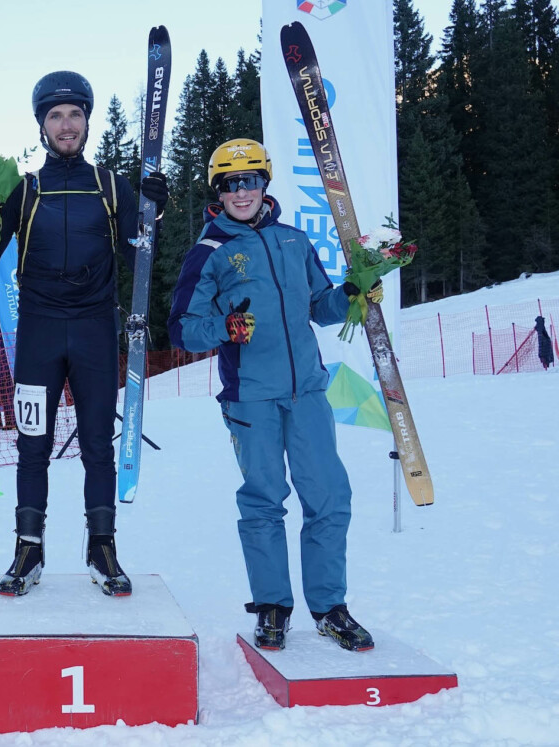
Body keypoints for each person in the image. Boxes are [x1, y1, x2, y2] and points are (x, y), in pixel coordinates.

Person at [167, 138, 377, 652]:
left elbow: (319, 306)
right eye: (230, 184)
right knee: (264, 500)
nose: (242, 192)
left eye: (251, 181)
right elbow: (181, 328)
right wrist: (225, 327)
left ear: (265, 184)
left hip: (307, 391)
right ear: (218, 192)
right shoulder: (209, 252)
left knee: (329, 497)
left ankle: (329, 608)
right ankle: (272, 607)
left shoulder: (294, 241)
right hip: (250, 398)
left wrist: (351, 293)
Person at [0, 71, 168, 597]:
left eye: (75, 114)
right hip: (39, 335)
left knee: (98, 443)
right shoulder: (26, 189)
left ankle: (102, 547)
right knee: (32, 443)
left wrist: (154, 212)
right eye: (55, 116)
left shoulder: (110, 185)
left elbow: (141, 259)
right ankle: (28, 549)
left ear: (86, 121)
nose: (66, 124)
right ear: (42, 126)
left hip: (94, 331)